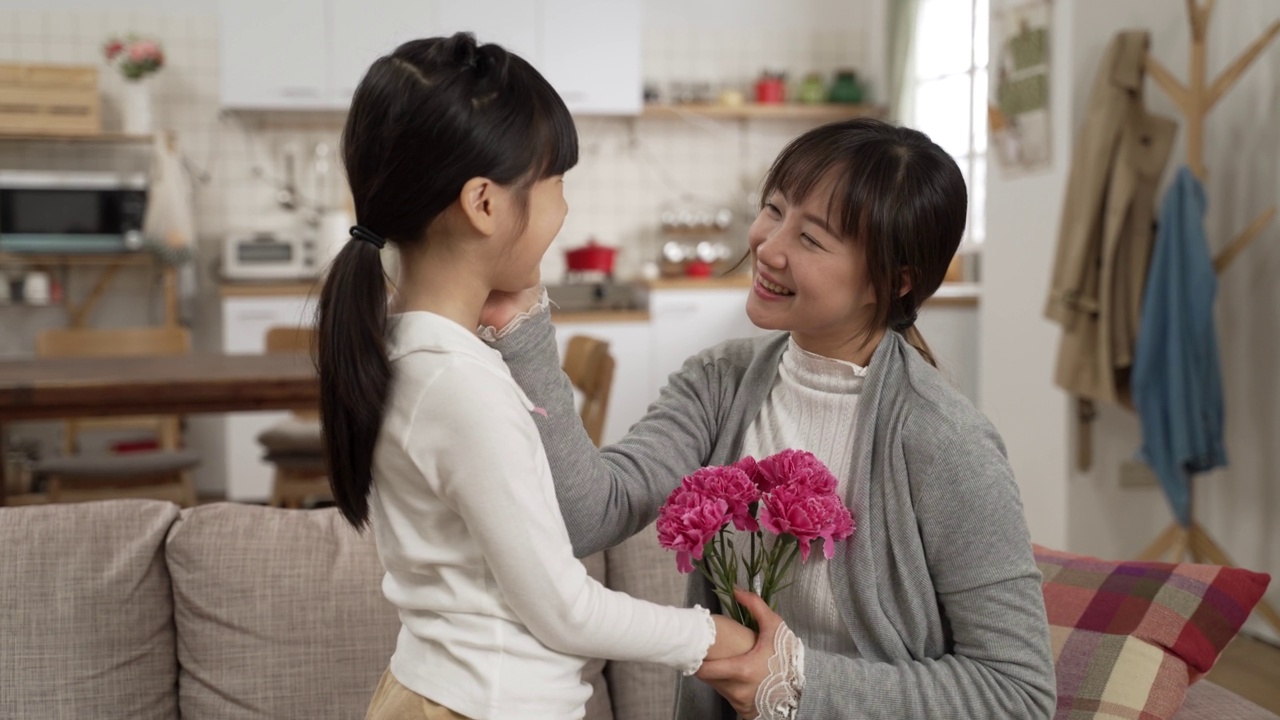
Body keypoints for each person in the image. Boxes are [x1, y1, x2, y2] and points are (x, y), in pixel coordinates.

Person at [482, 118, 1057, 719]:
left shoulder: (945, 441)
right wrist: (520, 326)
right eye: (774, 209)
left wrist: (796, 682)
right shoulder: (718, 383)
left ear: (892, 281)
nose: (768, 245)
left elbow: (1018, 694)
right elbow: (589, 513)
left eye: (811, 239)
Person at [315, 33, 754, 720]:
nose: (564, 211)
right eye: (555, 184)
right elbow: (564, 611)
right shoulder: (462, 387)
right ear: (484, 204)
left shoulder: (409, 351)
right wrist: (710, 637)